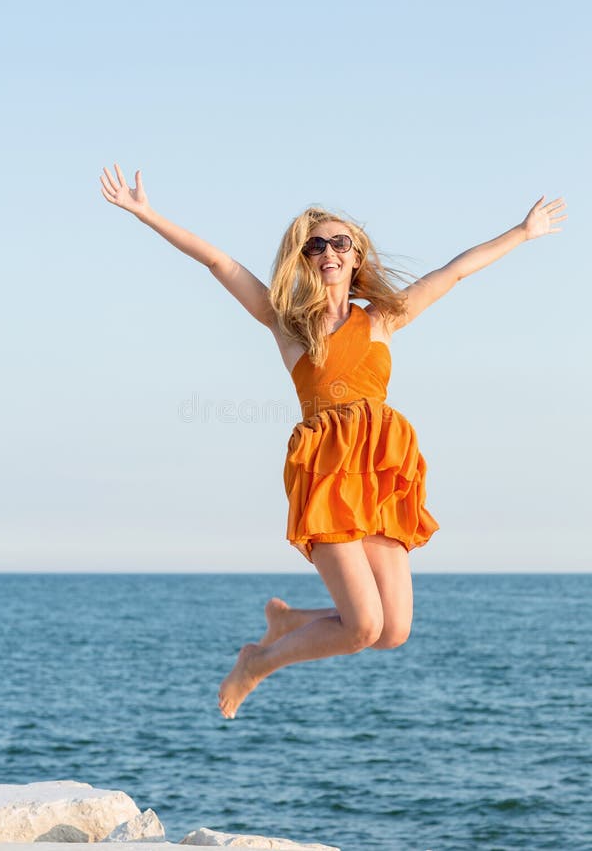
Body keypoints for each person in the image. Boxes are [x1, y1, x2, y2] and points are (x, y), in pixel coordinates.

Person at [100, 164, 567, 719]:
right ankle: (256, 662)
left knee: (392, 630)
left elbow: (454, 273)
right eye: (316, 243)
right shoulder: (287, 323)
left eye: (340, 241)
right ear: (305, 258)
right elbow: (219, 262)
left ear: (356, 253)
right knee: (363, 624)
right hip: (326, 472)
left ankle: (293, 621)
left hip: (380, 469)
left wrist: (522, 232)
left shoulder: (382, 319)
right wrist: (147, 213)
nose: (329, 250)